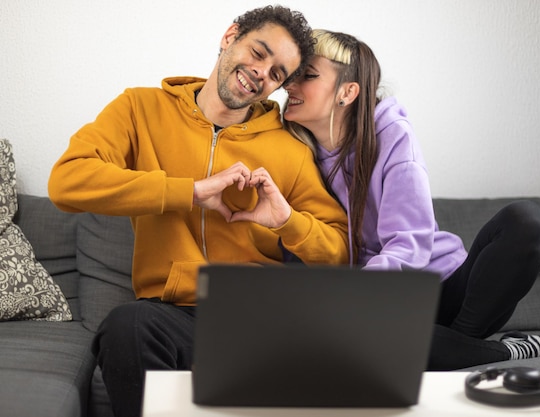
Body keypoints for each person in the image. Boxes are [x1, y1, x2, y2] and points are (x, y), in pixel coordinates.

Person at [49, 8, 349, 417]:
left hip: (261, 312)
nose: (262, 73)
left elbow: (341, 251)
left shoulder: (290, 151)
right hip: (172, 314)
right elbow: (66, 182)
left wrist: (286, 221)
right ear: (230, 36)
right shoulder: (141, 109)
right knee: (127, 327)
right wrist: (187, 192)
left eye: (277, 74)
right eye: (258, 52)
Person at [282, 29, 540, 371]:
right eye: (292, 75)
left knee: (527, 220)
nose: (289, 85)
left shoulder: (391, 135)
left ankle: (456, 341)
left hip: (442, 288)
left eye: (307, 75)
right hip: (381, 311)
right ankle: (486, 350)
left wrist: (358, 293)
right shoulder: (293, 151)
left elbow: (410, 243)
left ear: (348, 92)